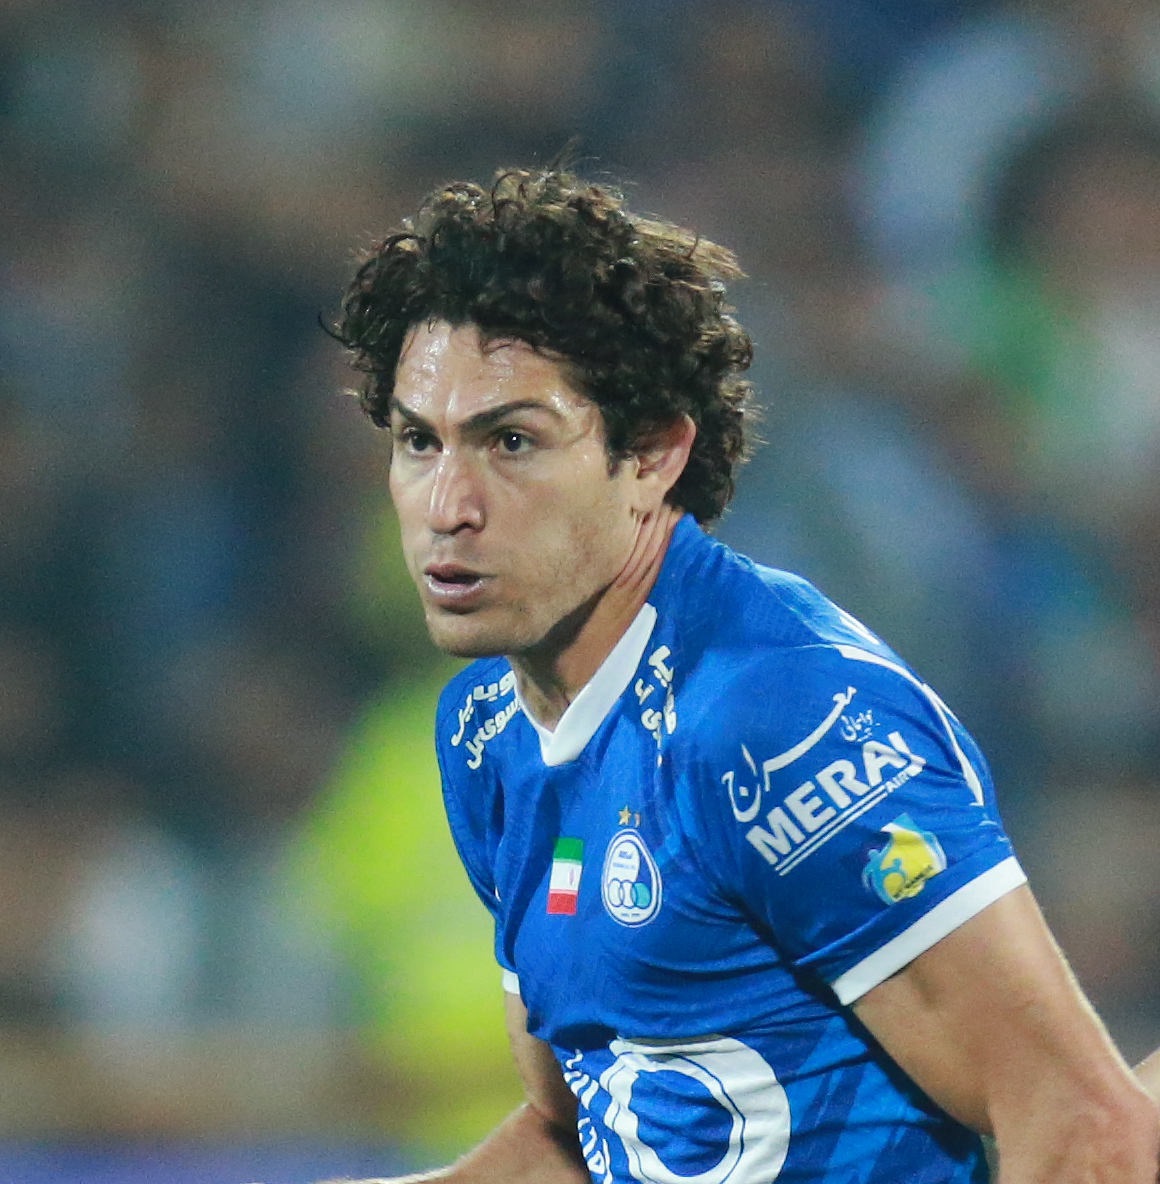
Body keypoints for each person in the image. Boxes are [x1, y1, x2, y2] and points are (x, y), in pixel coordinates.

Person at [325, 164, 1160, 1183]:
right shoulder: (488, 732)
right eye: (419, 441)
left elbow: (1081, 1126)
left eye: (511, 441)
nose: (448, 505)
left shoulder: (776, 718)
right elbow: (588, 1135)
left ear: (651, 455)